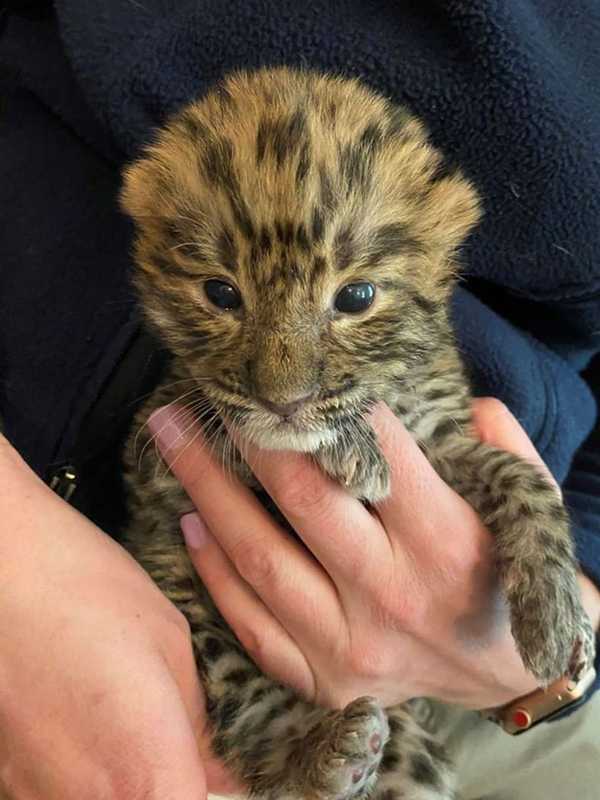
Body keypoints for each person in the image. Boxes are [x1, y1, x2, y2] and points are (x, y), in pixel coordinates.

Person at [1, 1, 599, 798]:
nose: (282, 382)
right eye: (222, 292)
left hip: (487, 649)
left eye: (353, 298)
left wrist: (568, 604)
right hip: (84, 569)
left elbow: (476, 462)